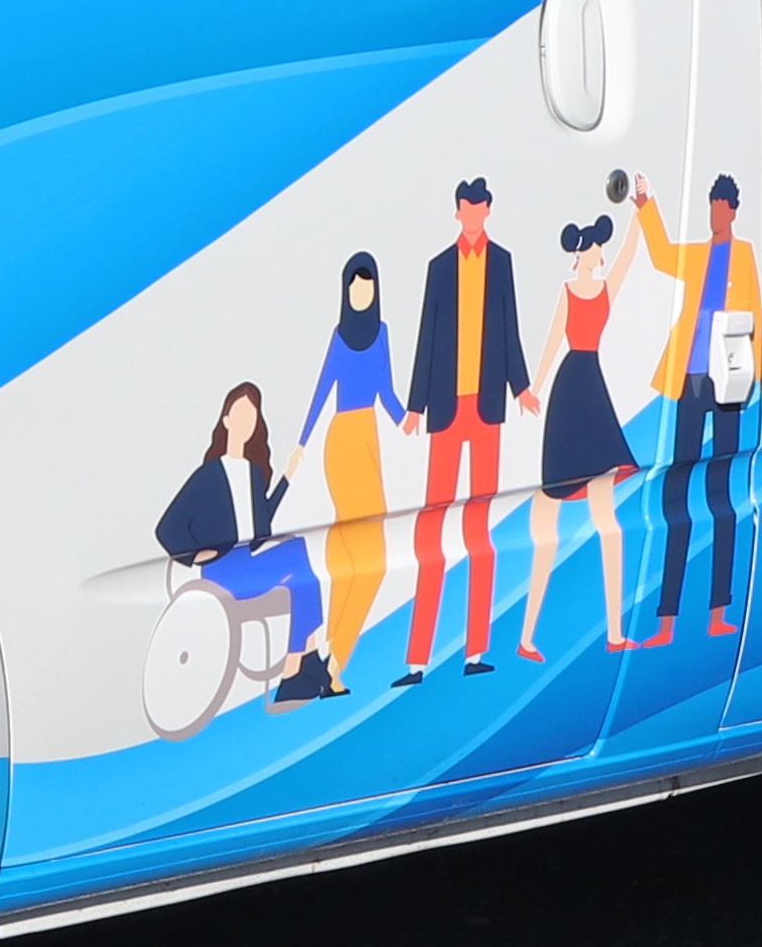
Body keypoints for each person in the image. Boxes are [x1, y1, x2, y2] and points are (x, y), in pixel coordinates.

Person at [396, 179, 534, 680]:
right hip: (445, 409)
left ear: (487, 211)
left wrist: (520, 387)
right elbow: (426, 335)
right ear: (457, 213)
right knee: (431, 528)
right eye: (466, 208)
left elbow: (509, 325)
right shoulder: (439, 268)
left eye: (478, 207)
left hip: (488, 409)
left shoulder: (502, 262)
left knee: (480, 529)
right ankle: (416, 659)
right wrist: (414, 406)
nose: (472, 214)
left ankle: (475, 651)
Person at [626, 169, 762, 644]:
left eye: (720, 207)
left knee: (723, 493)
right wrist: (646, 204)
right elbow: (663, 254)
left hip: (728, 379)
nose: (714, 215)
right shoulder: (699, 255)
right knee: (677, 493)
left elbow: (757, 310)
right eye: (710, 207)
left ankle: (719, 610)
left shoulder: (744, 254)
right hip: (690, 377)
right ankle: (666, 618)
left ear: (732, 210)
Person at [155, 383, 331, 699]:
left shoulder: (252, 473)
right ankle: (303, 662)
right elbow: (167, 528)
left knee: (300, 567)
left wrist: (288, 478)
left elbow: (261, 524)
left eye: (252, 415)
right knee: (298, 557)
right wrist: (195, 556)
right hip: (223, 574)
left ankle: (300, 663)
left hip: (250, 564)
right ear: (225, 420)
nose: (246, 421)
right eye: (240, 413)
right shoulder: (209, 474)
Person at [517, 207, 637, 659]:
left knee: (609, 524)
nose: (603, 253)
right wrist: (534, 387)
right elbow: (551, 341)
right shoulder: (570, 292)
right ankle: (528, 637)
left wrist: (642, 212)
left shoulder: (604, 288)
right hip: (572, 392)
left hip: (589, 388)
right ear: (583, 253)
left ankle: (614, 631)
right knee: (550, 525)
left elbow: (629, 255)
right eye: (597, 247)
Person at [299, 252, 403, 680]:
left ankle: (331, 661)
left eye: (368, 286)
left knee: (357, 552)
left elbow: (386, 390)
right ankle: (335, 658)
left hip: (370, 436)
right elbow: (323, 389)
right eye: (355, 287)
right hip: (342, 440)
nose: (362, 293)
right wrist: (301, 443)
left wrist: (411, 418)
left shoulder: (381, 333)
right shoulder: (340, 337)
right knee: (370, 556)